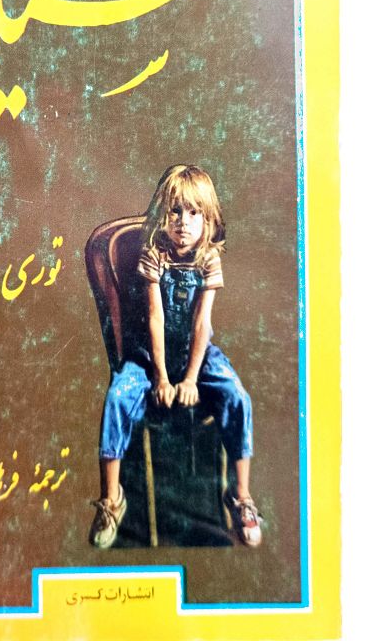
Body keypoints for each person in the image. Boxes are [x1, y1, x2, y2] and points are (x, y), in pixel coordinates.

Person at [89, 164, 262, 548]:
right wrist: (163, 378)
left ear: (208, 219)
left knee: (237, 396)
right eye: (175, 211)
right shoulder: (154, 255)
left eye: (193, 213)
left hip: (196, 354)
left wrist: (190, 378)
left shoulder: (208, 259)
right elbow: (155, 316)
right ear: (162, 216)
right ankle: (111, 498)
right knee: (117, 397)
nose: (183, 222)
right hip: (152, 354)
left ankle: (241, 496)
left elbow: (202, 323)